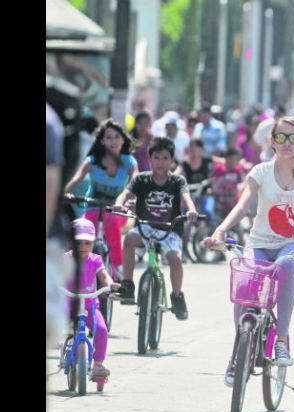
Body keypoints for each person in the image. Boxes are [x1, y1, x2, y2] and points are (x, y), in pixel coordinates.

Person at [202, 116, 294, 376]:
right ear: (271, 141)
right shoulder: (260, 172)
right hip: (258, 243)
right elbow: (242, 205)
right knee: (245, 276)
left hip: (290, 244)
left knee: (284, 267)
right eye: (280, 137)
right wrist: (220, 231)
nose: (286, 143)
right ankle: (238, 350)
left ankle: (281, 340)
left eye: (293, 137)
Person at [111, 137, 199, 320]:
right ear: (150, 158)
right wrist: (119, 204)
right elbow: (126, 193)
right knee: (128, 241)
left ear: (172, 161)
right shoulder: (141, 179)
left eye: (166, 158)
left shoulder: (177, 181)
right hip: (145, 227)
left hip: (170, 230)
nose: (161, 162)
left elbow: (186, 197)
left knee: (175, 261)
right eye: (157, 157)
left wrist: (191, 210)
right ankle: (127, 284)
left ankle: (177, 296)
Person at [64, 119, 138, 279]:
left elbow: (135, 182)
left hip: (118, 211)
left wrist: (132, 198)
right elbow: (76, 179)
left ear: (123, 140)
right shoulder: (92, 161)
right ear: (102, 141)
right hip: (92, 207)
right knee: (82, 232)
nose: (113, 141)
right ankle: (77, 272)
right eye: (108, 137)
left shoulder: (129, 162)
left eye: (117, 137)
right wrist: (63, 195)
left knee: (111, 220)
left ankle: (118, 268)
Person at [65, 218, 121, 378]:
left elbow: (104, 276)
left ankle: (98, 365)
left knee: (102, 329)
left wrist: (110, 285)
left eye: (87, 243)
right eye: (78, 242)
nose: (83, 247)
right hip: (67, 305)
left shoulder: (95, 260)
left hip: (89, 306)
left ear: (93, 243)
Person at [175, 139, 215, 220]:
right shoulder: (184, 162)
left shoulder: (207, 160)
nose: (192, 148)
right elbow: (176, 174)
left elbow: (224, 162)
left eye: (195, 146)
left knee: (208, 205)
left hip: (204, 191)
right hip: (189, 192)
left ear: (201, 149)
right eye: (191, 146)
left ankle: (208, 223)